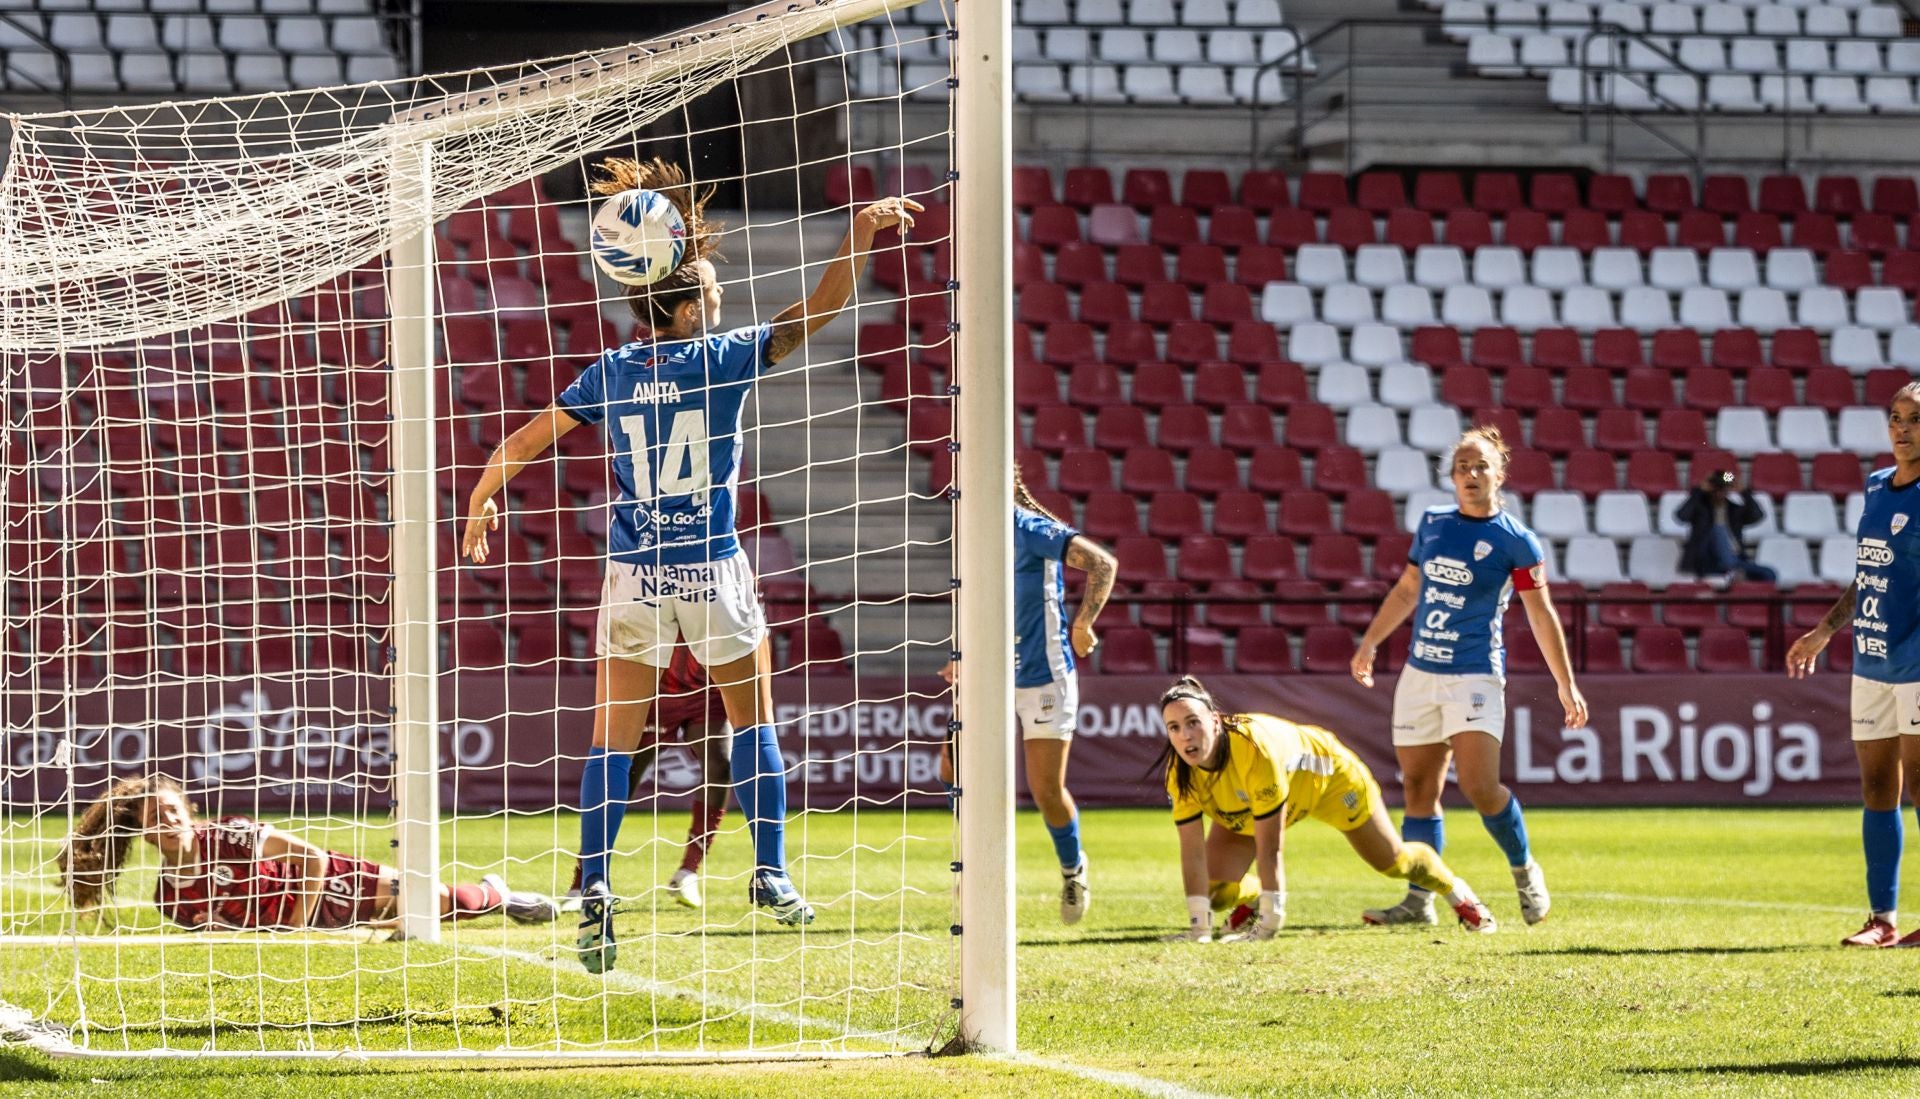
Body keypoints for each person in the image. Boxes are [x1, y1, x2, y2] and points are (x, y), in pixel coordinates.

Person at [463, 154, 920, 972]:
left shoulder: (608, 372)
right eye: (708, 289)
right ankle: (770, 871)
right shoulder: (723, 356)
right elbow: (820, 308)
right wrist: (858, 230)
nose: (719, 295)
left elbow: (523, 442)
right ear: (681, 306)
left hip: (634, 576)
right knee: (754, 722)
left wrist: (481, 498)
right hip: (710, 568)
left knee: (611, 744)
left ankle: (595, 884)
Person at [1349, 426, 1588, 929]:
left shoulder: (1516, 541)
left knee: (1480, 787)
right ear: (1452, 477)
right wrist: (1371, 642)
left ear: (1499, 474)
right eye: (1462, 467)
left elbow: (1540, 613)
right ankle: (1419, 900)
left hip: (1475, 675)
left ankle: (1524, 870)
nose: (1471, 474)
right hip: (1420, 673)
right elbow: (1408, 588)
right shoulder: (1433, 524)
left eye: (1481, 466)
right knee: (1419, 788)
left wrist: (1564, 683)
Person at [1155, 677, 1496, 940]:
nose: (1186, 736)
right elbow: (1192, 853)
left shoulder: (1255, 750)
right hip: (1257, 803)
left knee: (1393, 862)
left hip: (1330, 782)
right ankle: (1255, 896)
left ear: (1215, 721)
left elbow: (1270, 849)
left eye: (1193, 722)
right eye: (1175, 728)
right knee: (1214, 891)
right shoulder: (1179, 773)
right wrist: (1199, 930)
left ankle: (1458, 893)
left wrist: (1269, 925)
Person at [938, 469, 1117, 924]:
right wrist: (961, 654)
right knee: (953, 769)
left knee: (1045, 791)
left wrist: (1083, 624)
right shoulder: (971, 534)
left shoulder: (1031, 529)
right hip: (988, 676)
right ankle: (975, 867)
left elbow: (1103, 564)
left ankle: (1073, 869)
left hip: (1044, 678)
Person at [60, 776, 557, 932]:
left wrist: (298, 925)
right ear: (145, 835)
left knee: (437, 904)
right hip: (311, 919)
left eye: (172, 811)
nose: (167, 822)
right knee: (404, 924)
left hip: (334, 882)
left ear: (189, 813)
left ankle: (495, 893)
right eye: (155, 818)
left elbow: (312, 857)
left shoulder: (231, 836)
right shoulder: (169, 900)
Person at [1786, 381, 1920, 948]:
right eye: (1896, 417)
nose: (1902, 429)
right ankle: (1882, 920)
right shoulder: (1876, 486)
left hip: (1917, 661)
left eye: (1915, 419)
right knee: (1877, 786)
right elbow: (1870, 574)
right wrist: (1824, 631)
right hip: (1872, 658)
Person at [562, 645, 730, 912]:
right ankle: (584, 880)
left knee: (721, 764)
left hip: (707, 683)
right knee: (622, 778)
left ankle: (688, 871)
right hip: (653, 683)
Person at [1677, 469, 1777, 583]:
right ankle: (1732, 570)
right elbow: (1681, 516)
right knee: (1718, 529)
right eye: (1717, 488)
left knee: (1769, 573)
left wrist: (1744, 492)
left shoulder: (1734, 510)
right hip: (1707, 559)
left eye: (1724, 488)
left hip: (1735, 557)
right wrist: (1698, 491)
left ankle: (1733, 570)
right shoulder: (1700, 509)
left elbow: (1757, 516)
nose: (1720, 492)